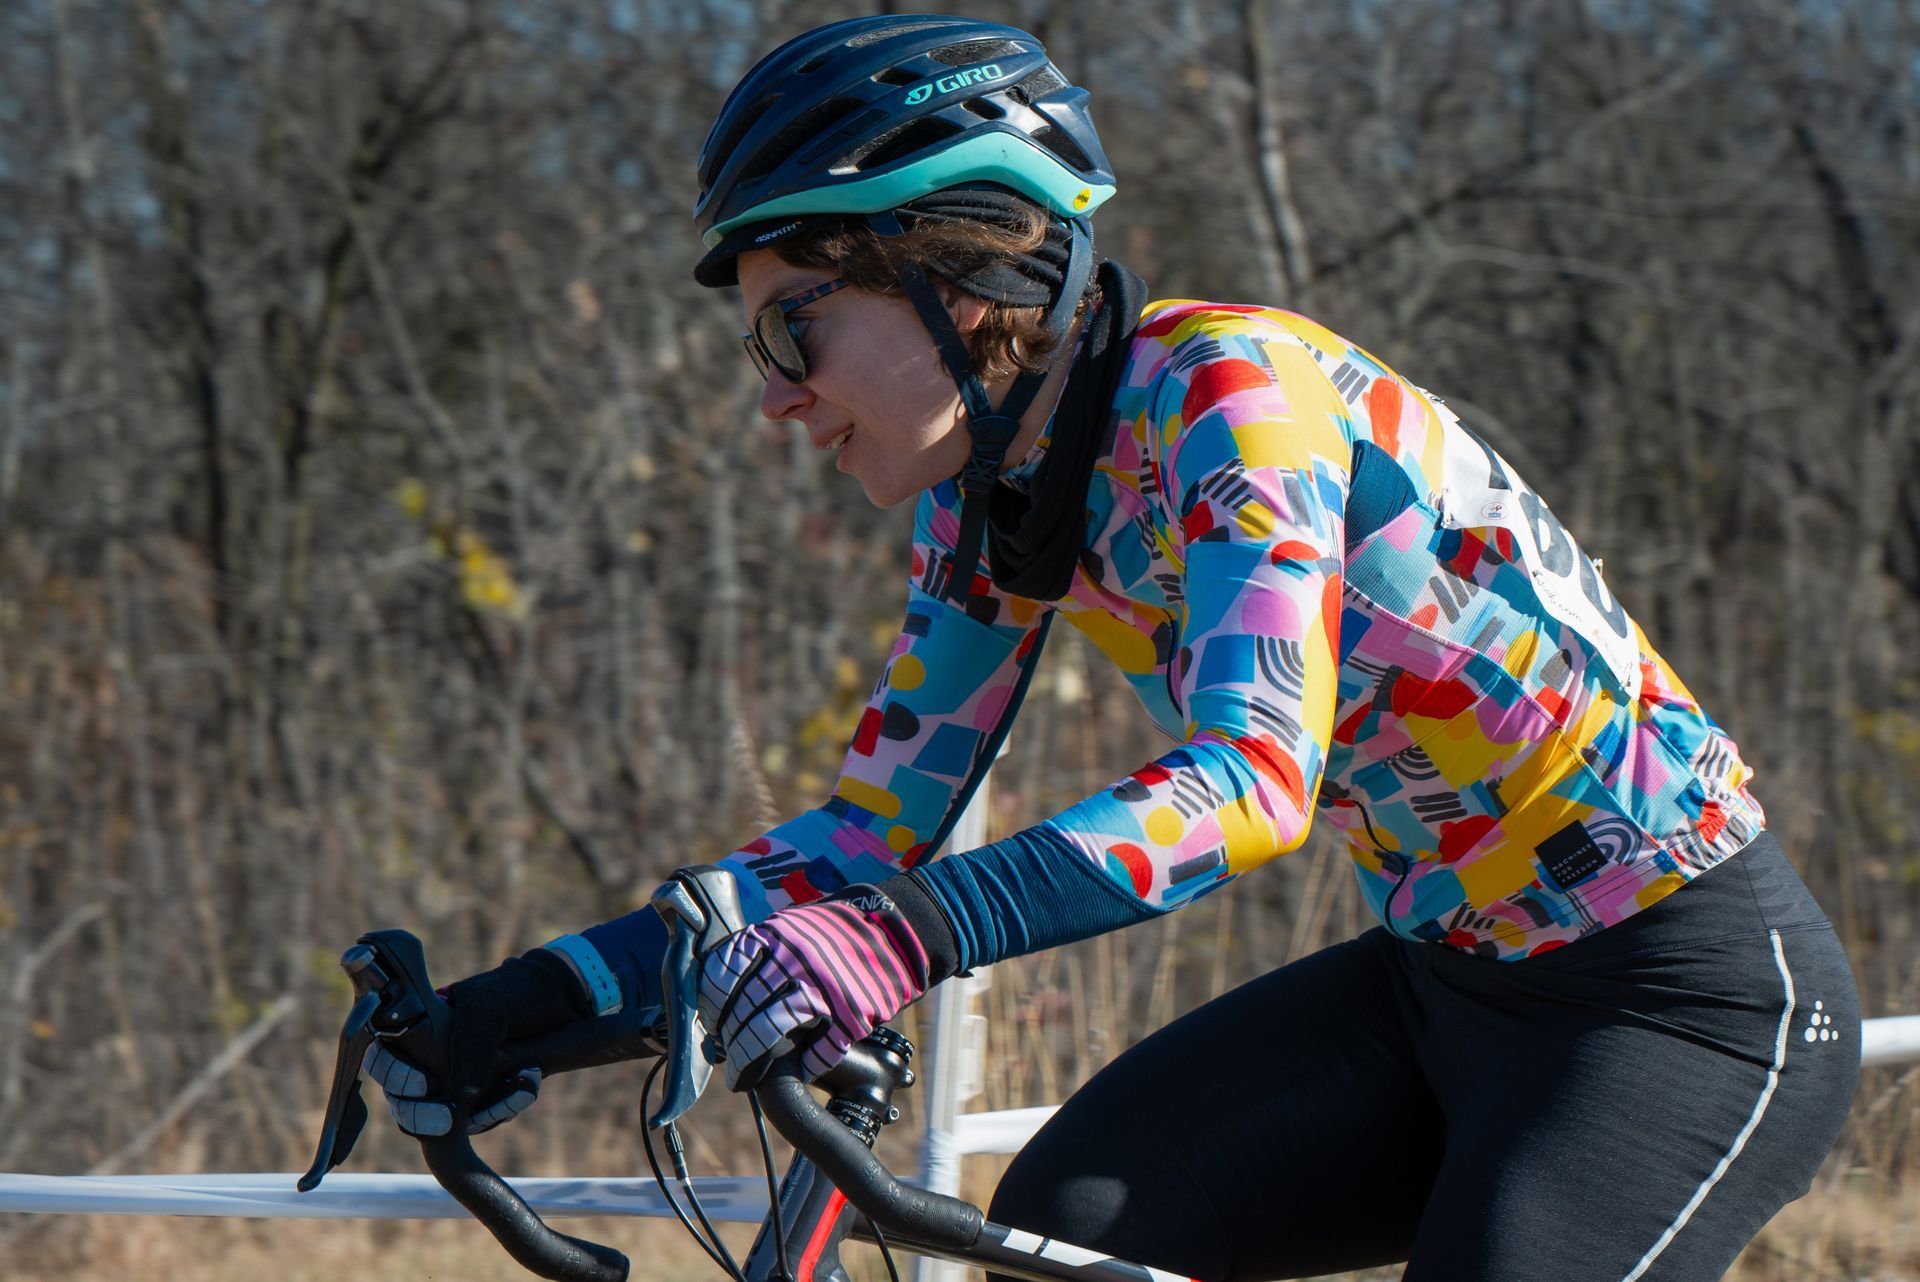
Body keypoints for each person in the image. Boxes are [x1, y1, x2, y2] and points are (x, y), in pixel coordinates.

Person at [367, 16, 1861, 1280]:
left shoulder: (1234, 393)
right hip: (1443, 979)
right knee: (1066, 1221)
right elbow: (864, 835)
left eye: (790, 334)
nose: (775, 397)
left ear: (948, 274)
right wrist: (533, 1005)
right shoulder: (994, 499)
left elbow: (1252, 777)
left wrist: (898, 936)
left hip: (1679, 992)